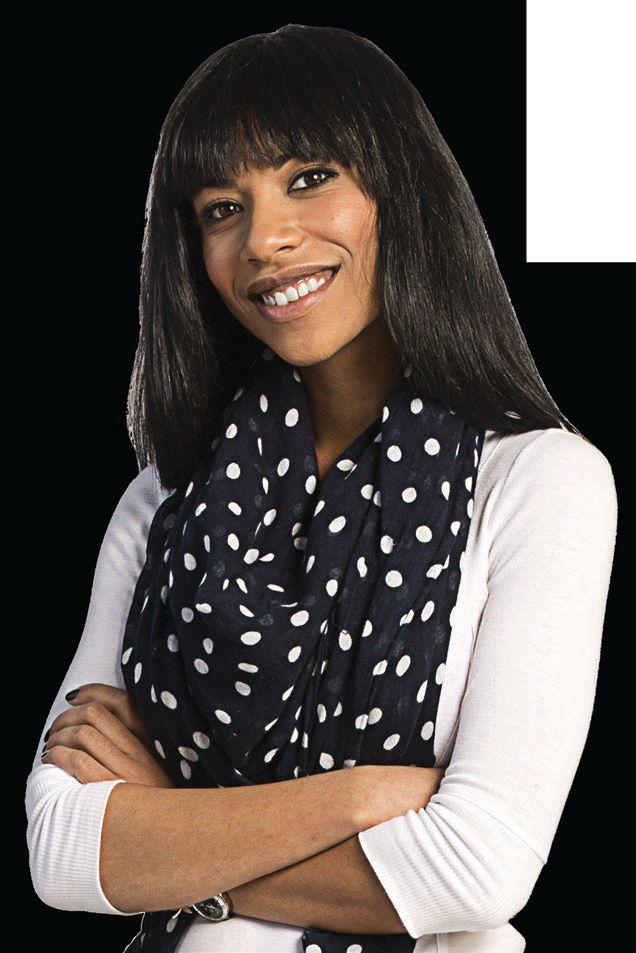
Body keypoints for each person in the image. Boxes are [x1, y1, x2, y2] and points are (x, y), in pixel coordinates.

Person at [25, 24, 617, 953]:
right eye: (222, 208)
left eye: (309, 178)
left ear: (401, 188)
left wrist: (168, 832)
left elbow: (478, 864)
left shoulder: (539, 480)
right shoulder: (159, 504)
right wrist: (368, 797)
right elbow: (61, 851)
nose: (265, 239)